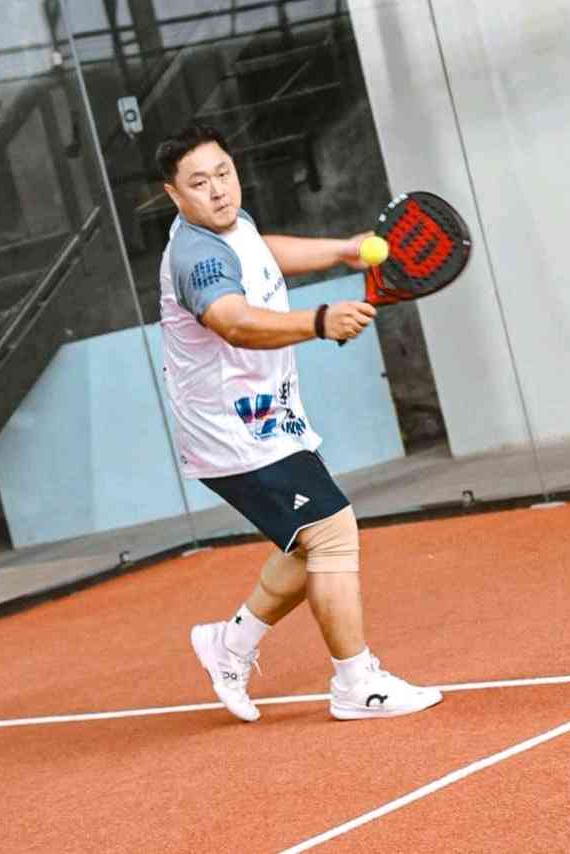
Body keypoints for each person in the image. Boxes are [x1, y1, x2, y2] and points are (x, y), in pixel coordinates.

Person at [157, 124, 441, 722]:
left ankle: (229, 645)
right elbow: (233, 321)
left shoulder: (229, 225)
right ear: (173, 195)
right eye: (199, 183)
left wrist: (341, 249)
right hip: (230, 430)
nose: (218, 190)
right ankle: (356, 683)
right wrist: (318, 321)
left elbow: (262, 252)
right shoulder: (195, 256)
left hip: (269, 417)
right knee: (332, 531)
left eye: (224, 173)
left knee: (311, 542)